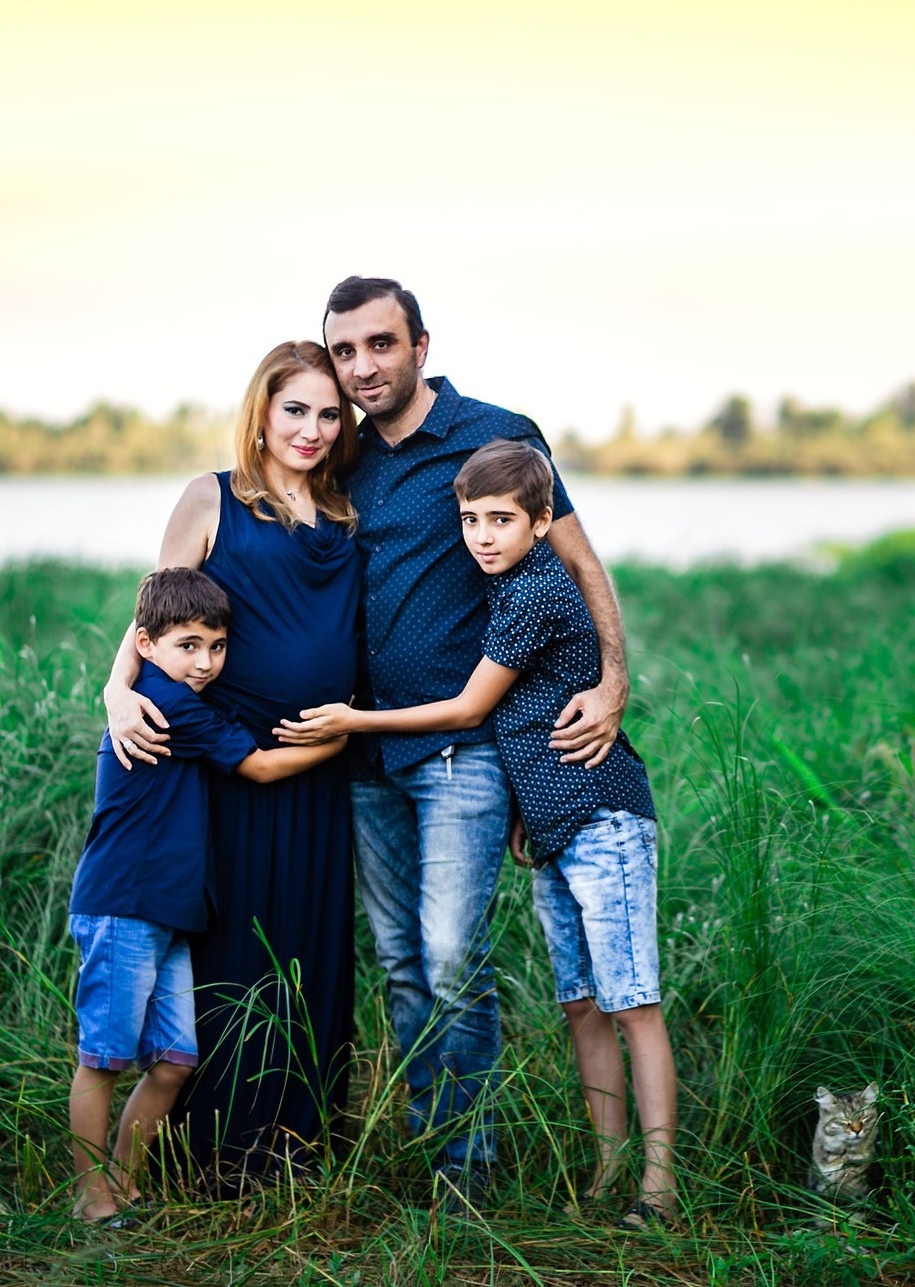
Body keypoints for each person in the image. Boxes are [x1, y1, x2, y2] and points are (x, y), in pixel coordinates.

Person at [275, 276, 628, 1211]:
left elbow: (582, 565)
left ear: (421, 345)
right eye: (343, 351)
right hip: (364, 757)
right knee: (399, 965)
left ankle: (471, 1170)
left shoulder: (497, 434)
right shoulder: (341, 458)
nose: (360, 369)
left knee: (447, 958)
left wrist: (613, 683)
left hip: (463, 753)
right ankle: (437, 1152)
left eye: (379, 346)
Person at [300, 440, 676, 1229]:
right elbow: (525, 720)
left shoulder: (536, 590)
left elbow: (474, 710)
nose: (482, 535)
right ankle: (607, 1179)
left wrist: (356, 719)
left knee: (631, 1000)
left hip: (602, 814)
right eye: (470, 519)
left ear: (542, 522)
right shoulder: (503, 589)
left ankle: (659, 1189)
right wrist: (521, 810)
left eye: (501, 519)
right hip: (550, 828)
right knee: (580, 1004)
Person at [100, 341, 363, 1194]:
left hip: (319, 776)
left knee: (310, 948)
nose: (313, 429)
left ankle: (298, 1146)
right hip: (234, 766)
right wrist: (114, 688)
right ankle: (209, 1155)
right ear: (262, 410)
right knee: (234, 951)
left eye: (330, 413)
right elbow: (157, 609)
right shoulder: (211, 497)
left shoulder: (349, 515)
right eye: (296, 409)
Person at [68, 566, 345, 1224]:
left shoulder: (171, 695)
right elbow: (261, 764)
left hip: (168, 909)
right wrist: (343, 736)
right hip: (126, 902)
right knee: (103, 1057)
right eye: (188, 644)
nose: (204, 661)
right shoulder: (167, 702)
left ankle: (126, 1182)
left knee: (174, 1060)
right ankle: (91, 1196)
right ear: (145, 643)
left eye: (216, 646)